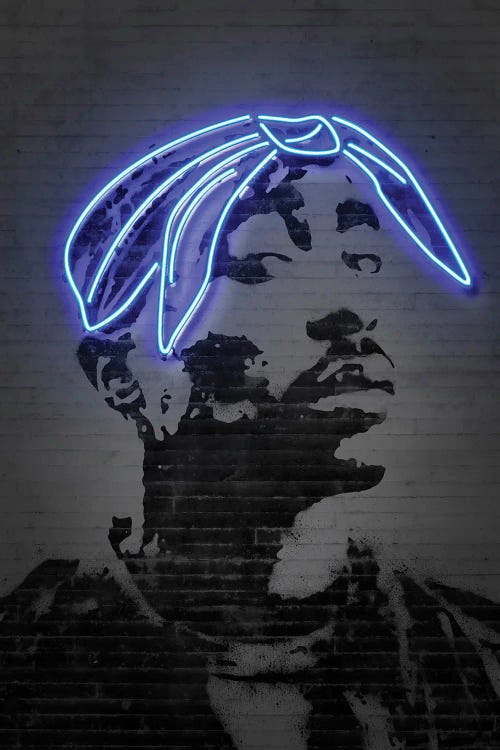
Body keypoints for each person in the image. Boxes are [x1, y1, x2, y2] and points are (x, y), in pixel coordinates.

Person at [1, 119, 499, 750]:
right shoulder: (24, 676)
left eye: (364, 261)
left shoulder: (476, 666)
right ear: (124, 379)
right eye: (265, 266)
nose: (350, 310)